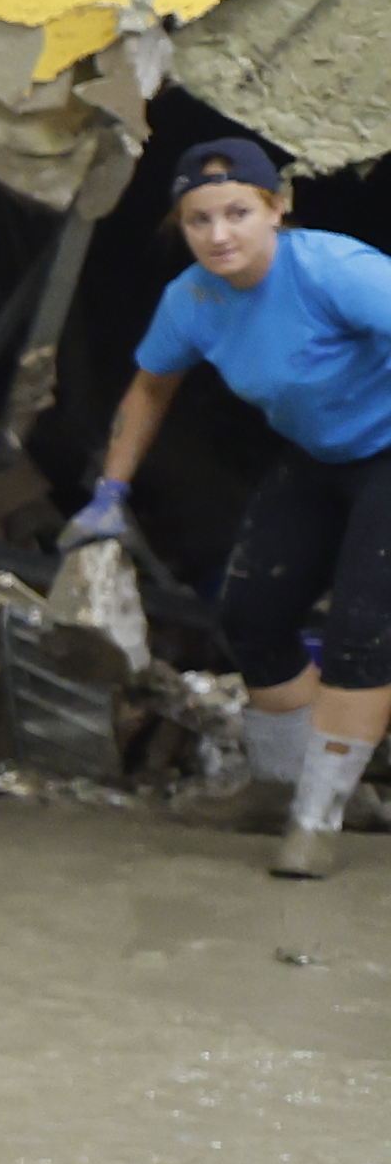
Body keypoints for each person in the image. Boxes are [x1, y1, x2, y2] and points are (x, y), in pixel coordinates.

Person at [73, 133, 391, 881]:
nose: (219, 235)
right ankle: (279, 789)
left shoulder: (337, 272)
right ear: (181, 226)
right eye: (199, 219)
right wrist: (108, 495)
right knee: (251, 615)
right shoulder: (191, 300)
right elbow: (150, 388)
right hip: (316, 454)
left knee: (361, 635)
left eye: (238, 213)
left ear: (275, 210)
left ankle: (316, 822)